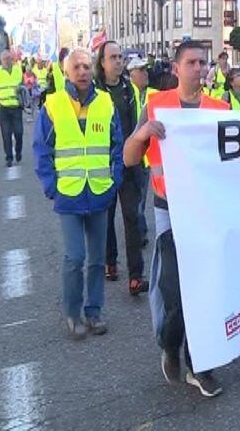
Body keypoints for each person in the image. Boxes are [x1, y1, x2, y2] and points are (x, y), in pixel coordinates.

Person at [123, 41, 228, 397]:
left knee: (207, 287)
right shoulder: (157, 106)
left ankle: (201, 366)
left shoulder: (220, 109)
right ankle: (170, 344)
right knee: (176, 289)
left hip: (209, 211)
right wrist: (142, 134)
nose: (199, 68)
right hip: (169, 210)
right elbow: (128, 158)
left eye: (203, 62)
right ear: (176, 67)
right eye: (192, 62)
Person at [33, 48, 123, 339]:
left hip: (99, 192)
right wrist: (51, 186)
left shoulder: (106, 103)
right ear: (66, 72)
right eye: (77, 67)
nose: (83, 72)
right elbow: (42, 150)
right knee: (75, 257)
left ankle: (94, 312)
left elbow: (116, 146)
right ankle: (72, 314)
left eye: (86, 66)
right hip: (69, 194)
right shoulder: (53, 105)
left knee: (97, 259)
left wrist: (115, 181)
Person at [94, 41, 149, 295]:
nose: (118, 61)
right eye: (113, 57)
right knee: (105, 218)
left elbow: (138, 123)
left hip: (128, 164)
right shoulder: (94, 90)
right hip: (103, 164)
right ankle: (110, 262)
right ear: (102, 62)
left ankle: (136, 276)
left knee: (132, 218)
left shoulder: (128, 88)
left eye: (120, 57)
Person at [128, 58, 159, 244]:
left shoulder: (154, 95)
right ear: (131, 74)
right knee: (134, 196)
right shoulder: (126, 94)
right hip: (130, 153)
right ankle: (138, 228)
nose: (145, 73)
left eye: (146, 69)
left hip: (147, 157)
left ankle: (140, 228)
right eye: (140, 70)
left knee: (141, 195)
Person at [0, 49, 24, 168]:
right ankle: (9, 157)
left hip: (16, 107)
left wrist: (21, 89)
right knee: (6, 134)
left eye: (8, 58)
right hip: (3, 108)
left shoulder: (18, 69)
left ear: (11, 59)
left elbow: (24, 84)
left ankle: (18, 152)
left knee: (19, 132)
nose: (6, 61)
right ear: (1, 60)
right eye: (4, 59)